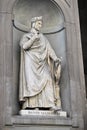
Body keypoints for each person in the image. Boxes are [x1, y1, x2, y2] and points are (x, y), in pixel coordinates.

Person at [19, 16, 62, 111]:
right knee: (32, 83)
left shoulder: (43, 38)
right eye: (39, 23)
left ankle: (50, 104)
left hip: (42, 63)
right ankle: (33, 106)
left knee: (48, 79)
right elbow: (24, 46)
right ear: (33, 24)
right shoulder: (26, 36)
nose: (40, 25)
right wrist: (34, 37)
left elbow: (49, 49)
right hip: (31, 63)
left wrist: (55, 58)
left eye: (41, 24)